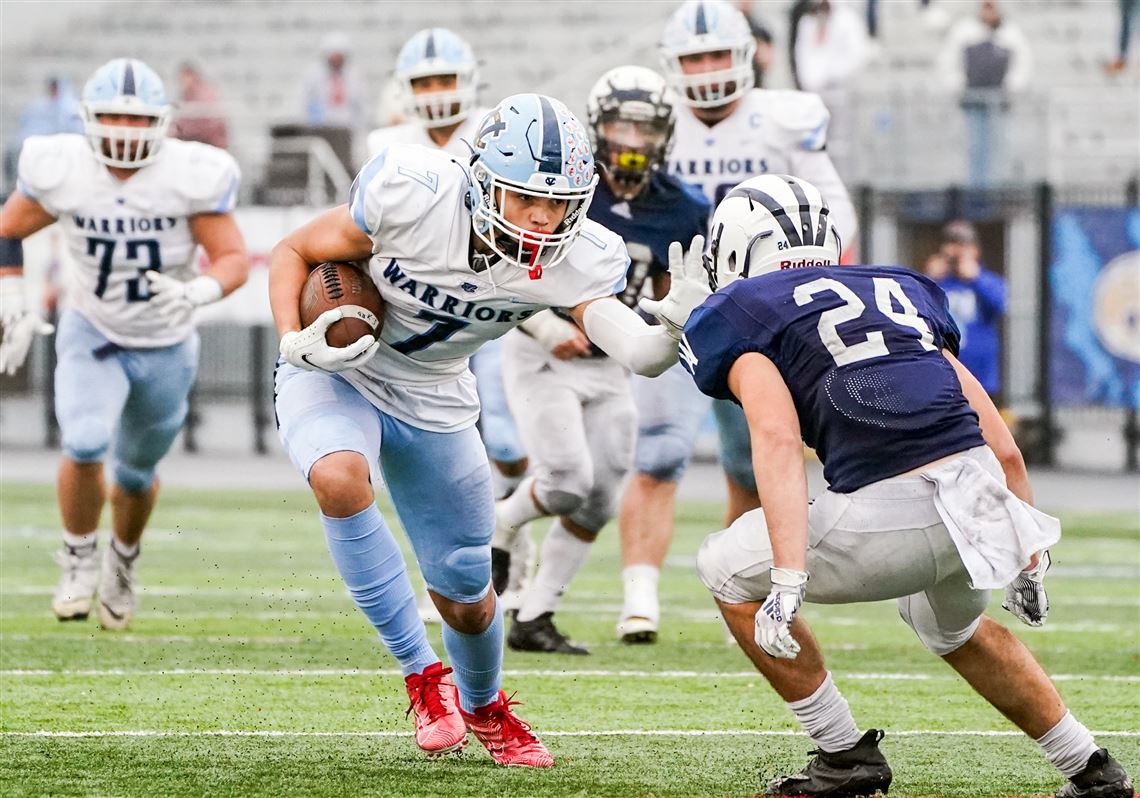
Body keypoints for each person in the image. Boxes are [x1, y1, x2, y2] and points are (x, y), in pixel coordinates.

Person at [651, 172, 1133, 798]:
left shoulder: (743, 312)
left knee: (722, 568)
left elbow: (773, 440)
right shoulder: (900, 290)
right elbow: (1001, 443)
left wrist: (787, 577)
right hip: (978, 505)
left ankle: (843, 754)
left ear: (735, 250)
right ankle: (1092, 770)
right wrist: (1026, 554)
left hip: (888, 515)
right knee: (952, 628)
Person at [268, 93, 684, 766]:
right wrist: (294, 338)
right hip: (341, 371)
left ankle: (485, 705)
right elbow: (294, 249)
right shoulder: (413, 192)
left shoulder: (577, 256)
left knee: (466, 591)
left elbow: (635, 351)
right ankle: (422, 678)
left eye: (560, 203)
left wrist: (670, 332)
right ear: (483, 178)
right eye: (526, 198)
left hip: (436, 395)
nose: (544, 217)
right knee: (338, 477)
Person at [614, 0, 858, 646]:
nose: (707, 70)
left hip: (760, 321)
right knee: (659, 451)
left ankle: (742, 591)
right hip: (679, 307)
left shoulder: (782, 119)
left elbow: (835, 214)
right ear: (672, 64)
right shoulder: (653, 120)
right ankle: (640, 597)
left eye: (717, 54)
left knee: (750, 466)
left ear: (747, 55)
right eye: (694, 58)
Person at [0, 58, 249, 630]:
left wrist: (199, 291)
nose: (123, 130)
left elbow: (233, 259)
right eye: (111, 116)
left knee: (135, 473)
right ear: (88, 118)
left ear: (161, 123)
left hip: (166, 340)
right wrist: (13, 295)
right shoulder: (64, 168)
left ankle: (122, 563)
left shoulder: (190, 174)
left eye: (136, 119)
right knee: (84, 441)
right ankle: (78, 559)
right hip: (93, 328)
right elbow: (9, 228)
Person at [492, 66, 710, 655]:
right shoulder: (566, 188)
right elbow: (504, 261)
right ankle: (503, 524)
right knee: (567, 479)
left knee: (602, 492)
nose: (633, 142)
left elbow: (674, 288)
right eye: (621, 126)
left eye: (645, 130)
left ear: (664, 134)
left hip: (611, 360)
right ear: (598, 127)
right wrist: (540, 324)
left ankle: (535, 616)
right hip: (544, 350)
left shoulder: (684, 208)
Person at [367, 28, 535, 622]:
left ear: (470, 81)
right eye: (424, 82)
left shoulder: (497, 129)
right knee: (427, 461)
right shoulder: (386, 143)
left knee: (509, 444)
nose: (437, 93)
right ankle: (460, 567)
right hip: (419, 309)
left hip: (488, 306)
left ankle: (513, 538)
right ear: (405, 90)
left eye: (445, 79)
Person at [936, 1, 1032, 187]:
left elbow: (1023, 65)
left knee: (998, 148)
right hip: (973, 102)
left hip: (999, 104)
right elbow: (947, 61)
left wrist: (1010, 87)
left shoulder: (1011, 33)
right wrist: (960, 84)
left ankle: (996, 191)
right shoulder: (964, 31)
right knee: (974, 148)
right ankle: (976, 191)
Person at [788, 0, 869, 180]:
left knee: (841, 149)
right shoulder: (808, 22)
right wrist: (811, 83)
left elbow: (857, 56)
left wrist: (829, 76)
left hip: (841, 97)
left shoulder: (848, 20)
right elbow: (802, 55)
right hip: (814, 97)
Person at [926, 219, 1007, 398]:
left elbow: (1001, 304)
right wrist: (929, 280)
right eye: (951, 244)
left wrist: (976, 278)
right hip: (943, 375)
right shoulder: (935, 283)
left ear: (975, 250)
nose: (956, 251)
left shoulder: (986, 280)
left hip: (981, 377)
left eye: (962, 245)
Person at [3, 75, 83, 189]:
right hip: (26, 148)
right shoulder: (39, 104)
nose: (52, 89)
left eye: (55, 86)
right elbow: (24, 124)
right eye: (51, 86)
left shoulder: (69, 105)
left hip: (52, 153)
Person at [303, 31, 365, 131]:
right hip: (322, 126)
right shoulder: (314, 74)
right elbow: (304, 100)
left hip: (346, 125)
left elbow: (360, 104)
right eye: (333, 56)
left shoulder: (353, 75)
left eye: (339, 57)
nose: (336, 60)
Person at [171, 62, 229, 150]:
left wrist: (180, 131)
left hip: (209, 141)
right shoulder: (186, 94)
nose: (182, 81)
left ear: (192, 75)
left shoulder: (204, 92)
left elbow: (207, 122)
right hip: (199, 139)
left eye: (185, 77)